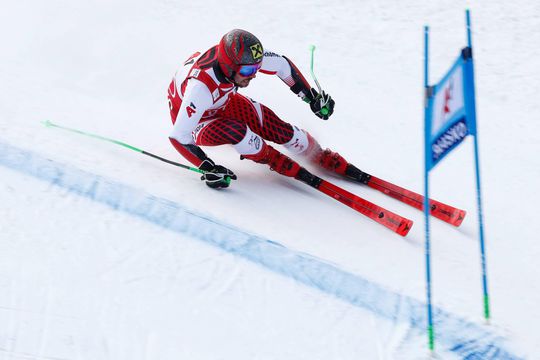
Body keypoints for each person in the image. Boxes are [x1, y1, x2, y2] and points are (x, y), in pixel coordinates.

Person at [167, 29, 366, 189]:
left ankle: (318, 154)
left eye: (255, 68)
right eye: (247, 71)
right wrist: (207, 167)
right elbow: (179, 136)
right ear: (229, 66)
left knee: (278, 128)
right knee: (238, 131)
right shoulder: (200, 88)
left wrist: (312, 98)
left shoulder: (239, 62)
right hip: (199, 122)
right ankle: (272, 158)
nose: (252, 75)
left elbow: (281, 65)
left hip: (223, 101)